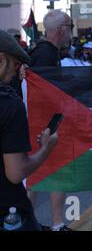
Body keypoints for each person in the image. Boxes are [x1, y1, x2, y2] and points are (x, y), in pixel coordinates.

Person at [0, 30, 58, 231]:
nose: (17, 72)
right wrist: (46, 149)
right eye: (16, 64)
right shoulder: (9, 105)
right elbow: (16, 173)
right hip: (8, 212)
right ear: (1, 61)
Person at [27, 10, 73, 231]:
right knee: (44, 173)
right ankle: (46, 223)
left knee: (45, 173)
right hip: (44, 124)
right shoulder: (46, 54)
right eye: (70, 27)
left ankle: (44, 222)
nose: (71, 33)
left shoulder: (46, 52)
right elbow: (42, 92)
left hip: (45, 123)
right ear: (61, 30)